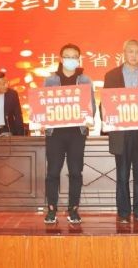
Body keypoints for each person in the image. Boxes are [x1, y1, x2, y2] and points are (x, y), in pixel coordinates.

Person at [103, 39, 138, 224]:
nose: (134, 55)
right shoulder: (111, 75)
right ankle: (123, 213)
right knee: (122, 174)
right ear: (123, 53)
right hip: (120, 132)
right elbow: (105, 103)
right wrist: (107, 121)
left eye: (137, 52)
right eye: (130, 51)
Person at [43, 44, 95, 225]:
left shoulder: (85, 80)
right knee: (53, 172)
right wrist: (40, 119)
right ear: (61, 58)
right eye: (67, 56)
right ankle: (51, 210)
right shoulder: (50, 80)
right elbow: (42, 104)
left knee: (75, 172)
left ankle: (73, 209)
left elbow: (91, 104)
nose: (70, 59)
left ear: (78, 59)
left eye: (74, 57)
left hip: (77, 133)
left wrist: (89, 118)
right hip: (55, 133)